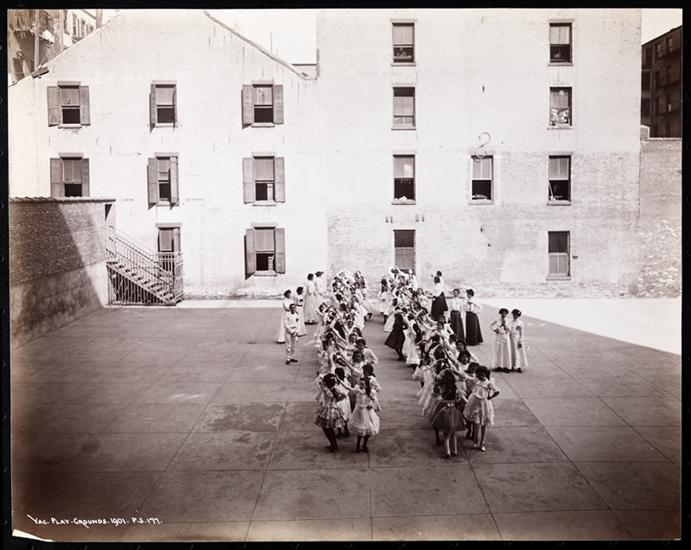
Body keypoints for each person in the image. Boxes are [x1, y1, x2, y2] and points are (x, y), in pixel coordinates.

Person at [430, 369, 467, 458]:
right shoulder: (455, 388)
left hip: (444, 408)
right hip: (454, 409)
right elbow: (463, 377)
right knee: (454, 432)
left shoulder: (441, 387)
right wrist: (454, 371)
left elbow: (435, 382)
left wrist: (442, 372)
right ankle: (455, 450)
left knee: (446, 433)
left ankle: (448, 452)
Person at [463, 365, 500, 451]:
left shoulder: (489, 383)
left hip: (484, 405)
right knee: (476, 424)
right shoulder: (476, 380)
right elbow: (467, 378)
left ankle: (482, 442)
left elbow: (497, 391)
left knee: (483, 425)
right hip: (475, 404)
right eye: (479, 374)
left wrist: (490, 397)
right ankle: (476, 439)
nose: (480, 376)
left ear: (485, 374)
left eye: (482, 374)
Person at [315, 372, 348, 451]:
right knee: (330, 428)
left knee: (326, 428)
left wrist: (324, 377)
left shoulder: (326, 390)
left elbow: (319, 381)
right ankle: (333, 444)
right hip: (334, 409)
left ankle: (333, 444)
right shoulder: (336, 390)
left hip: (327, 409)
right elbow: (341, 397)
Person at [349, 372, 381, 453]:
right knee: (360, 429)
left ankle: (364, 444)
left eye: (362, 384)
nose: (360, 385)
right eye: (360, 383)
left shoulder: (371, 392)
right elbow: (349, 388)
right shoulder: (358, 390)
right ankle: (358, 444)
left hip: (368, 412)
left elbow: (374, 401)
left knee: (369, 430)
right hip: (359, 412)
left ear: (366, 385)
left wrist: (371, 405)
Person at [490, 308, 511, 372]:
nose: (504, 314)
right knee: (498, 351)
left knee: (506, 351)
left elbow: (509, 329)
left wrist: (505, 325)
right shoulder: (497, 319)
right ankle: (498, 366)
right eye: (502, 313)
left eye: (505, 313)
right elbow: (490, 325)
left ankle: (506, 366)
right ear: (500, 313)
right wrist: (495, 330)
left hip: (505, 336)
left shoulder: (508, 320)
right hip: (499, 336)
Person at [334, 367, 352, 438]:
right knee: (344, 416)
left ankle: (340, 431)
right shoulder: (345, 381)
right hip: (345, 401)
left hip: (339, 401)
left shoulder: (336, 382)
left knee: (338, 417)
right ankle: (346, 430)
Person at [509, 308, 528, 373]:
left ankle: (519, 366)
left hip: (517, 339)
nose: (515, 316)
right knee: (511, 352)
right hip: (510, 339)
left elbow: (522, 333)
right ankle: (511, 365)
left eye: (516, 315)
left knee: (518, 353)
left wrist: (520, 341)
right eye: (514, 315)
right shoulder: (510, 322)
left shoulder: (520, 323)